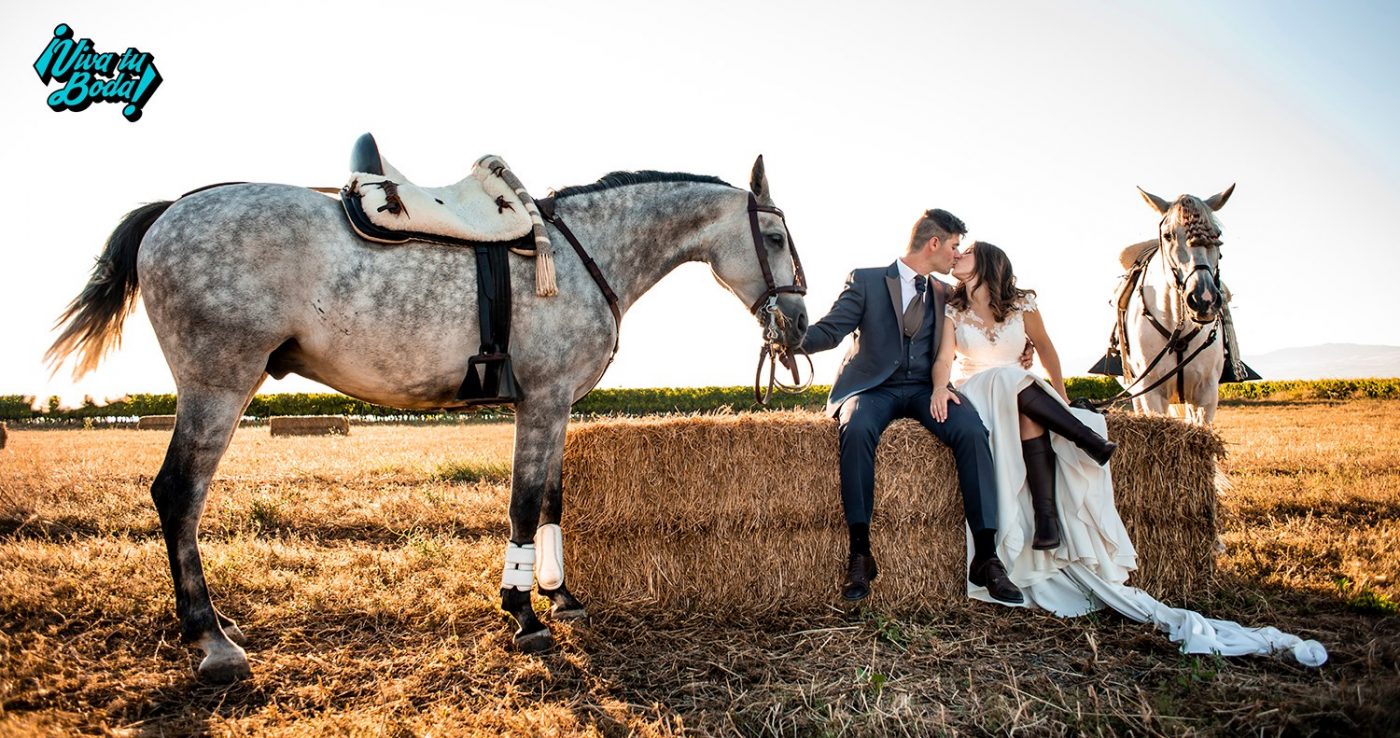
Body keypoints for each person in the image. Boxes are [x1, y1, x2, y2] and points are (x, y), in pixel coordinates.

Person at [934, 240, 1327, 665]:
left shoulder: (1022, 303)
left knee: (1024, 401)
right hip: (979, 393)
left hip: (1022, 395)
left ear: (989, 261)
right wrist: (941, 387)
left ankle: (1048, 517)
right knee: (1004, 381)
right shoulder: (951, 309)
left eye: (965, 252)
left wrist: (1061, 398)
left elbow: (1045, 348)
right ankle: (1086, 440)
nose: (956, 256)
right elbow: (942, 360)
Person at [798, 209, 1022, 604]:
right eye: (954, 246)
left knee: (972, 430)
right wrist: (792, 340)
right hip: (873, 388)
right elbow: (832, 329)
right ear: (934, 243)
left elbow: (991, 316)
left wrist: (1023, 349)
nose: (956, 255)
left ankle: (987, 558)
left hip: (925, 389)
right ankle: (860, 553)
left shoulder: (944, 293)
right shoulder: (866, 280)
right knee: (857, 427)